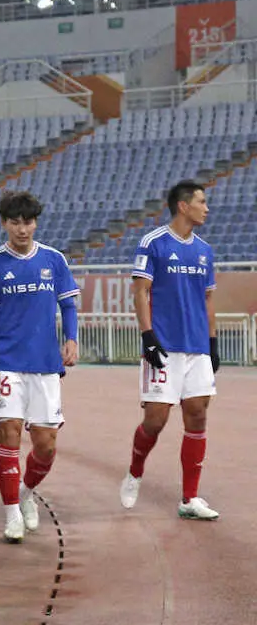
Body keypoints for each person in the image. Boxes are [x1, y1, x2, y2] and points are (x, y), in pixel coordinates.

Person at [0, 191, 79, 542]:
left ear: (35, 223)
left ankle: (25, 492)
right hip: (6, 364)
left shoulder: (54, 260)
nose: (22, 229)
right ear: (4, 223)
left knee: (46, 444)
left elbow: (68, 305)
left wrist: (72, 338)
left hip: (45, 364)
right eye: (15, 222)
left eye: (28, 222)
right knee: (10, 434)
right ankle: (11, 515)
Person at [119, 180, 220, 520]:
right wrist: (148, 336)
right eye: (201, 202)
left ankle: (190, 498)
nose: (206, 208)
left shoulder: (205, 250)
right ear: (183, 205)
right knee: (156, 421)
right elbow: (140, 291)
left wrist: (212, 342)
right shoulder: (154, 243)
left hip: (196, 348)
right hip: (164, 346)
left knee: (198, 415)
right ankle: (135, 471)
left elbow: (208, 298)